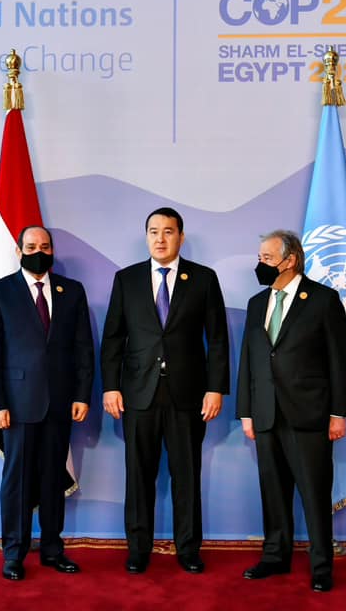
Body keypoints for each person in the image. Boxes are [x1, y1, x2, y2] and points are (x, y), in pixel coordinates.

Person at [101, 207, 229, 574]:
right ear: (146, 237)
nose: (160, 238)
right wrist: (110, 387)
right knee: (138, 476)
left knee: (186, 476)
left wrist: (215, 389)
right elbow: (113, 339)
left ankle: (187, 548)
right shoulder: (126, 280)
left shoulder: (203, 279)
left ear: (180, 237)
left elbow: (217, 340)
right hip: (137, 394)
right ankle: (138, 549)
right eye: (153, 231)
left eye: (168, 231)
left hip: (187, 395)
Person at [0, 226, 94, 581]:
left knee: (53, 477)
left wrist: (81, 394)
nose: (38, 252)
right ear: (18, 251)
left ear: (52, 250)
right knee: (18, 482)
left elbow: (83, 348)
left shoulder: (72, 291)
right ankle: (14, 553)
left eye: (44, 246)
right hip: (17, 405)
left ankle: (53, 549)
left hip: (60, 403)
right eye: (31, 247)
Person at [236, 229, 346, 592]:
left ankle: (321, 566)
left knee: (314, 495)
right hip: (266, 413)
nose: (261, 264)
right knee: (273, 491)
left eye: (267, 258)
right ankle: (275, 556)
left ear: (290, 260)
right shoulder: (257, 303)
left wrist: (338, 412)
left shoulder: (323, 299)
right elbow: (249, 359)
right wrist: (246, 411)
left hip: (309, 414)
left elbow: (340, 359)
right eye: (259, 258)